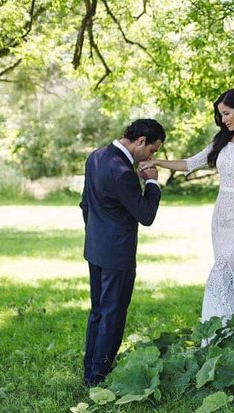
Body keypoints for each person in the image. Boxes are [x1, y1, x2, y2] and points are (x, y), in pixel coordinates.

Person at [139, 88, 234, 335]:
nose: (223, 120)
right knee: (224, 278)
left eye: (226, 114)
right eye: (220, 115)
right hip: (221, 216)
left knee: (222, 274)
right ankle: (226, 333)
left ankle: (230, 333)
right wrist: (157, 162)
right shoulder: (221, 141)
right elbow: (190, 163)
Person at [80, 118, 165, 386]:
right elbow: (145, 215)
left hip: (95, 248)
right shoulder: (122, 172)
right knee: (113, 315)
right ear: (140, 141)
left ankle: (89, 370)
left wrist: (98, 234)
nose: (151, 156)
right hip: (118, 255)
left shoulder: (97, 157)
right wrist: (151, 183)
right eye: (152, 150)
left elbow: (86, 204)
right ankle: (99, 376)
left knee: (98, 311)